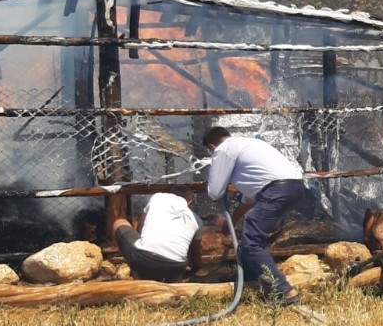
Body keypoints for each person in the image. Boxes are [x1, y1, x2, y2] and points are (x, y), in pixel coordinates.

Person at [202, 125, 307, 304]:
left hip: (276, 190)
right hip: (294, 187)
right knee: (249, 241)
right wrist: (232, 222)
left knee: (251, 244)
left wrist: (220, 176)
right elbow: (249, 200)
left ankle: (285, 291)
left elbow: (214, 192)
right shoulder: (248, 144)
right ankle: (253, 284)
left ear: (212, 147)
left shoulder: (223, 149)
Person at [110, 192, 203, 283]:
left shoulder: (158, 197)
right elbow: (196, 257)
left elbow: (140, 225)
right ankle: (172, 281)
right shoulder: (196, 220)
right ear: (190, 202)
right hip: (175, 268)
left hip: (144, 259)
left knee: (119, 222)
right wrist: (189, 272)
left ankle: (137, 275)